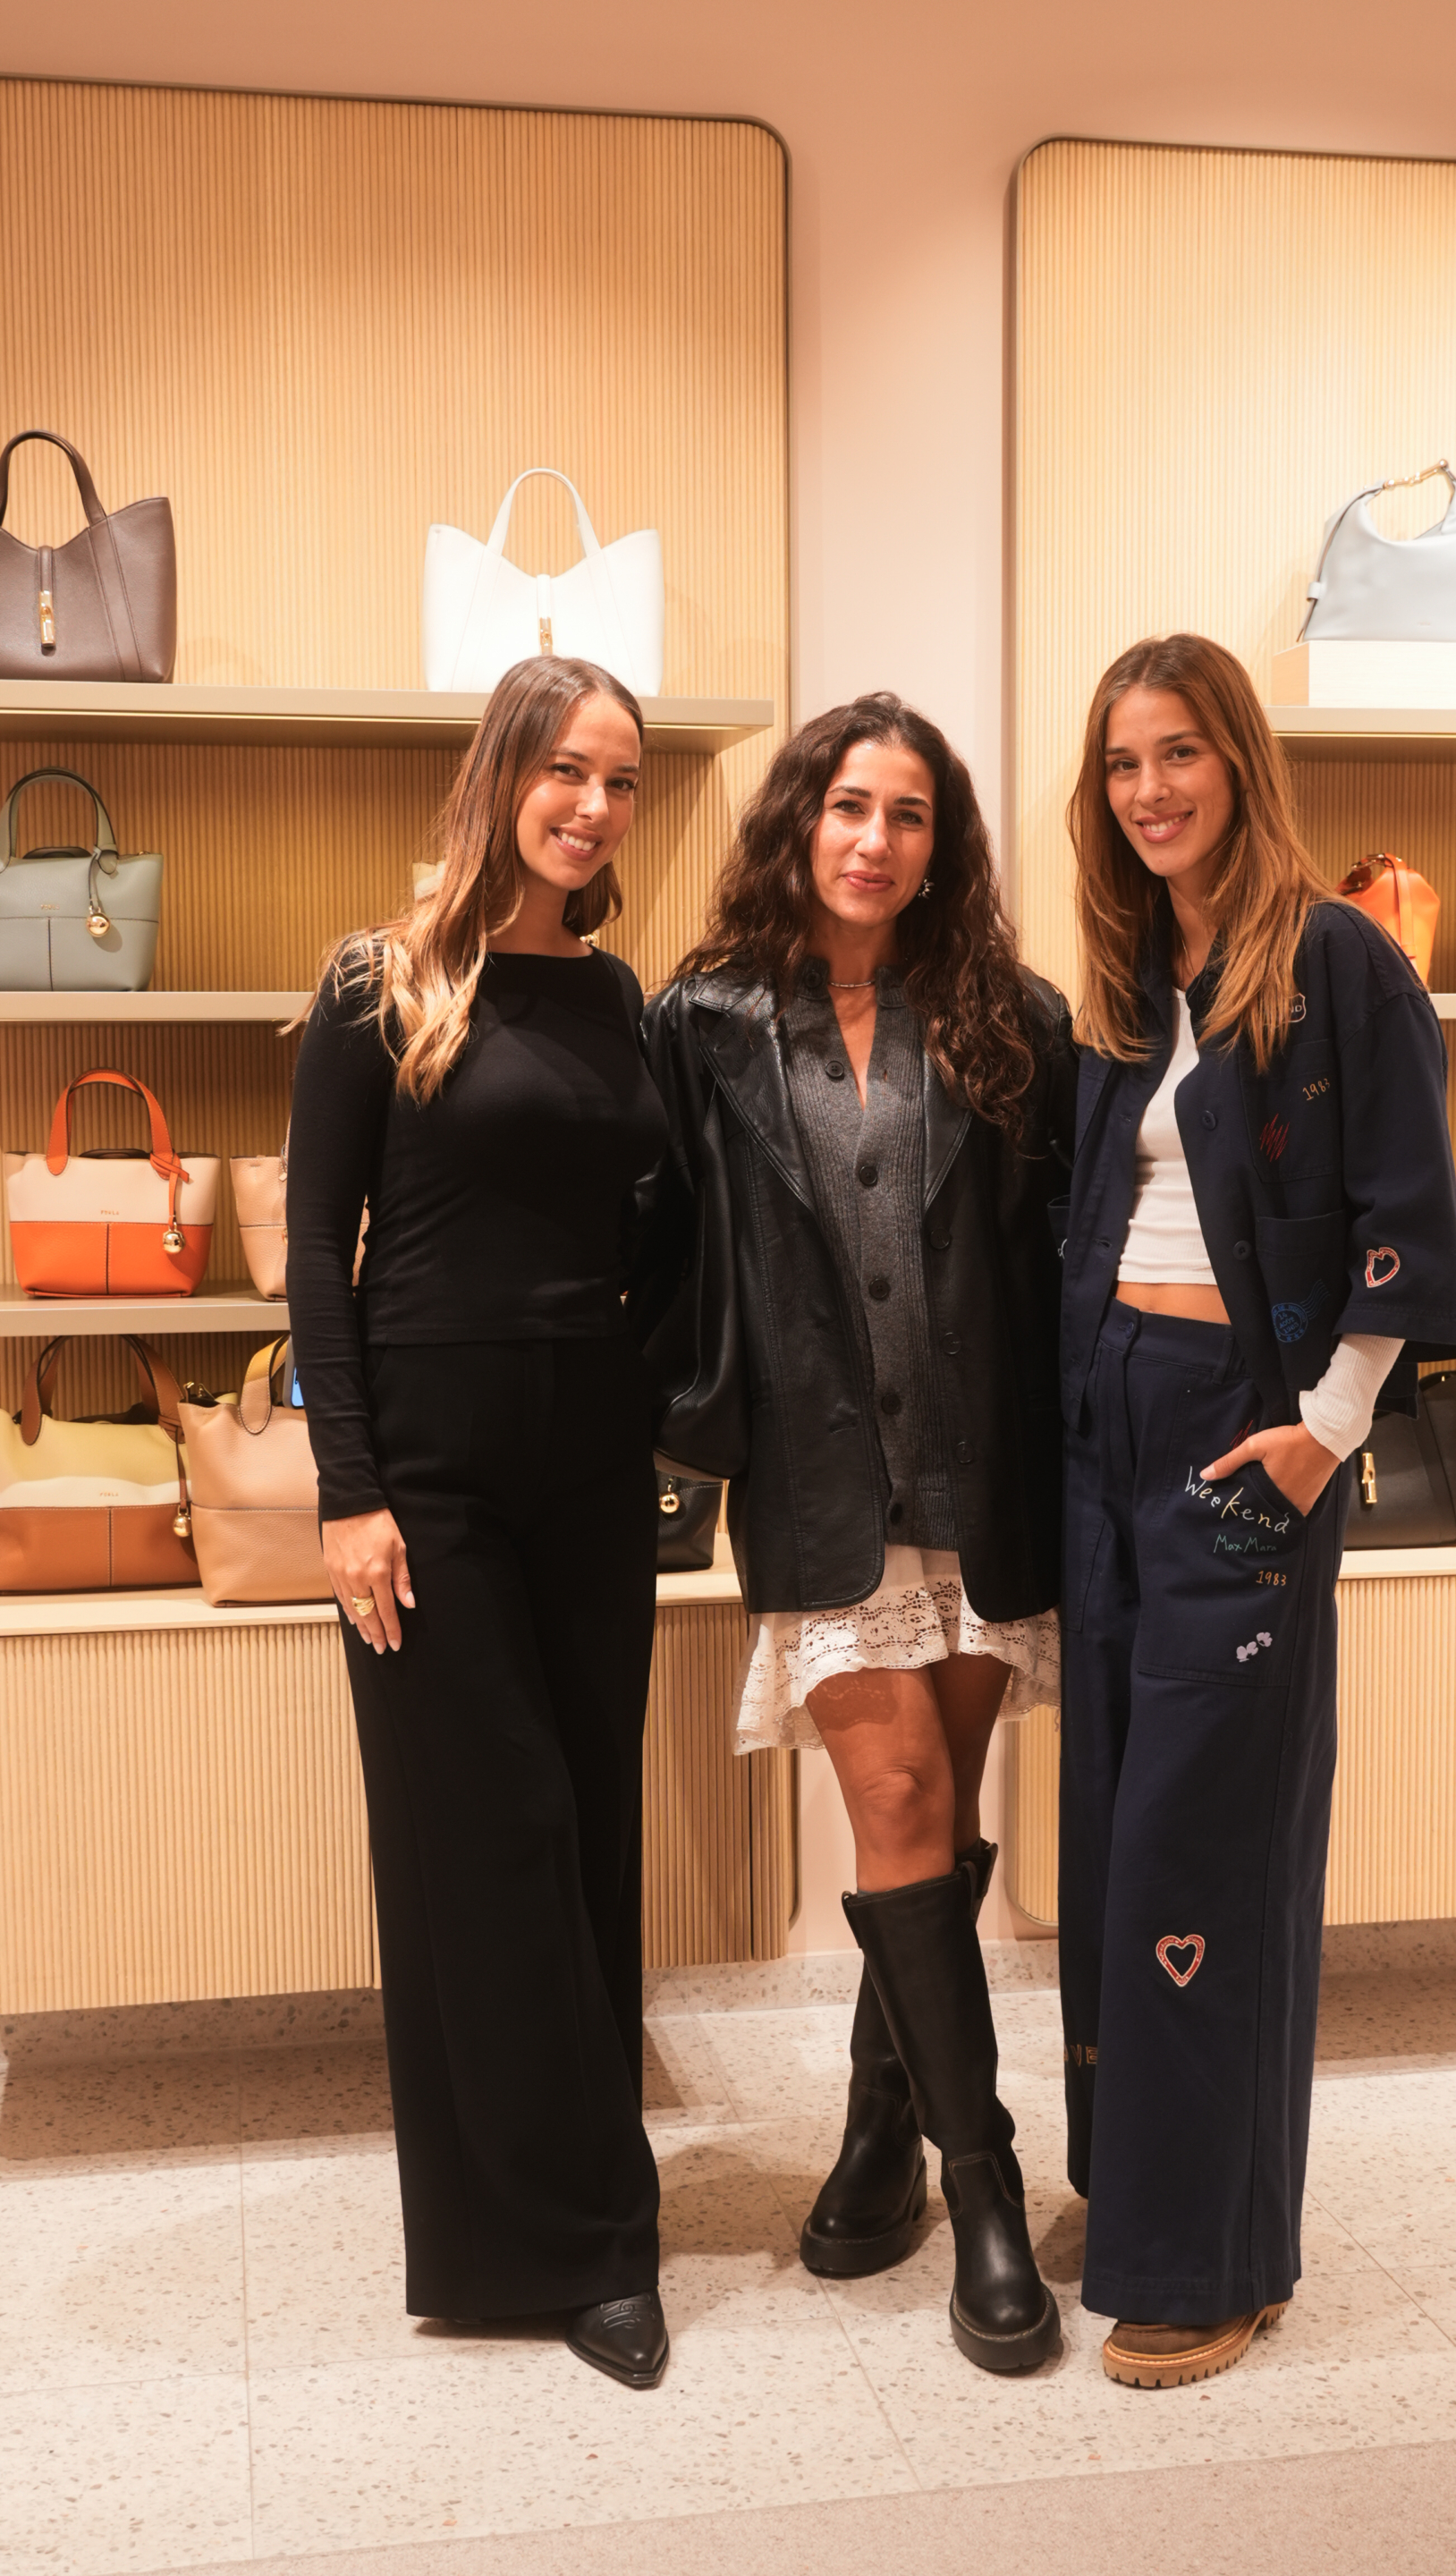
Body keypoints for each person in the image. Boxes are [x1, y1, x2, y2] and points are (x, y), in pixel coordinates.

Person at [1058, 634, 1456, 2389]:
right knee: (1109, 1821)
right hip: (1107, 1418)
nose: (1149, 789)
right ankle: (1140, 2192)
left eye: (1179, 753)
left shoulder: (1337, 960)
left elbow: (1406, 1211)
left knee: (1203, 1845)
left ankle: (1210, 2256)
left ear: (1239, 761)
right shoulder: (1123, 973)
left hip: (1247, 1429)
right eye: (1122, 762)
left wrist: (1325, 1428)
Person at [642, 694, 1073, 2374]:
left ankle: (881, 2131)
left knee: (939, 1817)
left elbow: (1049, 1256)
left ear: (939, 843)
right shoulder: (704, 1022)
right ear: (798, 822)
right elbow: (659, 1240)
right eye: (846, 806)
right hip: (820, 1489)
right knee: (894, 1801)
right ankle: (985, 2185)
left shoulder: (1011, 1018)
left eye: (907, 814)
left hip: (984, 1484)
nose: (874, 839)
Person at [286, 656, 675, 2390]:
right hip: (429, 1477)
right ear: (506, 771)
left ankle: (594, 2215)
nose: (594, 806)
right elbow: (317, 1252)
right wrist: (350, 1491)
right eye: (568, 770)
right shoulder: (381, 983)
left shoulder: (617, 995)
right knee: (488, 1840)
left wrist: (649, 1394)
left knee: (586, 1834)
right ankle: (557, 2247)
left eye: (623, 780)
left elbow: (649, 1228)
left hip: (594, 1472)